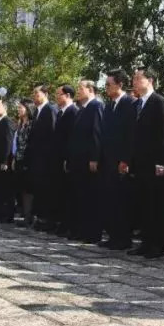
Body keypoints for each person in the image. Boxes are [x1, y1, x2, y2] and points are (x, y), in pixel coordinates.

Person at [128, 68, 164, 257]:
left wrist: (162, 163)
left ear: (151, 80)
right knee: (143, 205)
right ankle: (145, 243)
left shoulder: (159, 102)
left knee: (157, 206)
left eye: (139, 78)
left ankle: (157, 244)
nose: (135, 82)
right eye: (134, 79)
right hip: (140, 164)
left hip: (155, 164)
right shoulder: (136, 104)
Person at [100, 70, 137, 250]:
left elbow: (130, 135)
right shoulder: (108, 105)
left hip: (121, 161)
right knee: (110, 199)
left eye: (109, 84)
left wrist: (125, 160)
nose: (106, 88)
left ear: (120, 84)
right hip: (108, 160)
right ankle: (114, 236)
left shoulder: (129, 103)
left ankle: (123, 238)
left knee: (122, 201)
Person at [66, 80, 104, 242]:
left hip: (88, 160)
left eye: (81, 88)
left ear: (90, 89)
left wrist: (94, 157)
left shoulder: (96, 106)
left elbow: (97, 133)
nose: (78, 91)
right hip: (77, 160)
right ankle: (81, 230)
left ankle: (92, 233)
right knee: (79, 196)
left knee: (90, 197)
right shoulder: (82, 109)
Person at [48, 85, 78, 236]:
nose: (56, 97)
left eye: (58, 94)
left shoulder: (74, 112)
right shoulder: (60, 113)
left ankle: (68, 225)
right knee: (59, 192)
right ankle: (60, 223)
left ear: (67, 95)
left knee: (68, 193)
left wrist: (68, 158)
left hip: (67, 160)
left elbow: (72, 139)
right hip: (57, 159)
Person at [27, 84, 58, 229]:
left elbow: (52, 134)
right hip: (37, 158)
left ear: (45, 94)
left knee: (46, 190)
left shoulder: (50, 110)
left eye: (37, 93)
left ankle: (46, 219)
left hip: (46, 159)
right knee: (38, 188)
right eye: (33, 94)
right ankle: (39, 218)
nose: (34, 96)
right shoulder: (37, 112)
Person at [13, 99, 36, 226]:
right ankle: (25, 214)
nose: (19, 110)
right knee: (22, 188)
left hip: (28, 159)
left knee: (29, 189)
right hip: (19, 158)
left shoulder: (32, 124)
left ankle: (29, 217)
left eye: (21, 107)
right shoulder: (20, 124)